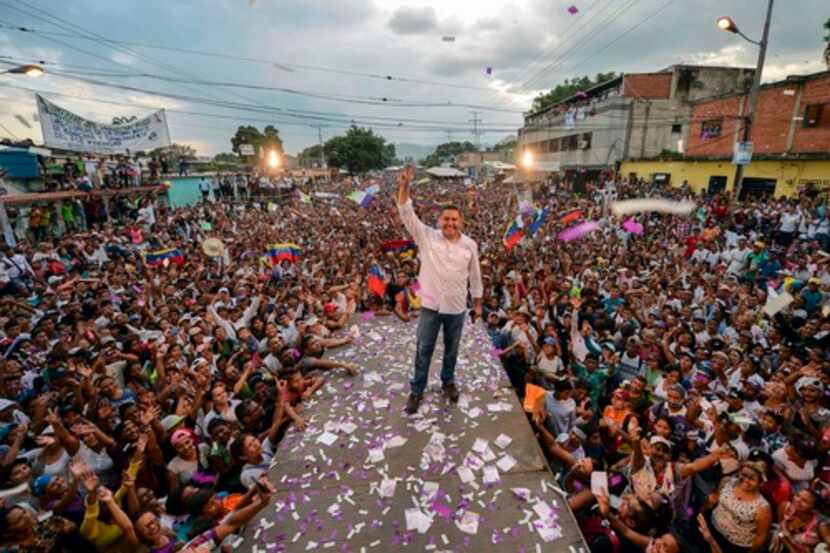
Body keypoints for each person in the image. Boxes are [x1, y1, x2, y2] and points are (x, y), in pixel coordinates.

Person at [396, 165, 483, 414]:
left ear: (462, 222)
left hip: (456, 307)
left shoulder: (470, 245)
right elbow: (406, 212)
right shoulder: (427, 237)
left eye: (455, 220)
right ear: (439, 221)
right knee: (424, 349)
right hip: (430, 307)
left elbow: (475, 277)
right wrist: (404, 186)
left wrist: (477, 304)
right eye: (446, 219)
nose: (450, 223)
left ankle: (448, 382)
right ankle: (417, 390)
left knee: (452, 349)